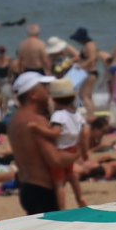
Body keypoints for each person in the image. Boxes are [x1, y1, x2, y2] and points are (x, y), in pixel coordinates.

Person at [8, 71, 71, 216]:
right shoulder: (37, 121)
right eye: (45, 87)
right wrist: (76, 153)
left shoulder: (14, 120)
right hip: (42, 189)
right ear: (33, 94)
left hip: (25, 186)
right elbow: (54, 160)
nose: (48, 92)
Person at [47, 77, 89, 207]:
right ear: (72, 98)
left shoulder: (58, 115)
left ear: (53, 100)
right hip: (73, 148)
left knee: (59, 182)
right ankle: (80, 197)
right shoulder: (77, 115)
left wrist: (39, 130)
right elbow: (84, 133)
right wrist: (84, 151)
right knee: (71, 174)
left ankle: (61, 207)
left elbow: (55, 133)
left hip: (61, 150)